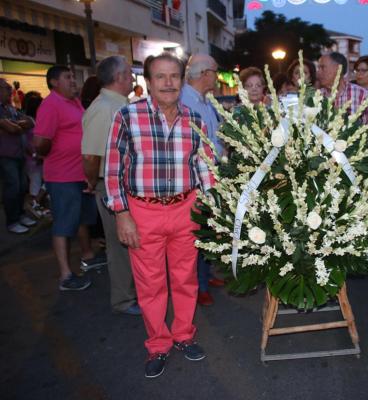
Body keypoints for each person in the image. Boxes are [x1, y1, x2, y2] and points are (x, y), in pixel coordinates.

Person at [105, 52, 215, 378]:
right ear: (149, 82)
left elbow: (204, 168)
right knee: (150, 285)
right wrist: (122, 213)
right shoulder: (127, 116)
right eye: (161, 77)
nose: (168, 83)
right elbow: (113, 169)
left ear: (182, 80)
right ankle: (158, 344)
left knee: (185, 279)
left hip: (186, 208)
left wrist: (212, 208)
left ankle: (183, 335)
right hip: (143, 212)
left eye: (174, 76)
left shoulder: (196, 119)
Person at [33, 65, 106, 291]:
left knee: (82, 219)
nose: (73, 80)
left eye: (74, 76)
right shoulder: (50, 105)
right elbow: (40, 143)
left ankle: (87, 256)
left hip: (81, 173)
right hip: (62, 176)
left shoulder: (73, 101)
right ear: (54, 82)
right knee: (64, 224)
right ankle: (65, 276)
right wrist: (59, 151)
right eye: (68, 77)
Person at [82, 56, 140, 315]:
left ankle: (133, 292)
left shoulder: (117, 105)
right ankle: (124, 299)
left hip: (122, 184)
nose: (132, 78)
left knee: (128, 242)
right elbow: (90, 156)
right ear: (118, 77)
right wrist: (94, 183)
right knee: (118, 245)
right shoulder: (104, 107)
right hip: (110, 186)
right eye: (129, 73)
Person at [180, 53, 226, 306]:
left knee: (208, 229)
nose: (218, 77)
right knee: (196, 232)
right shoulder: (185, 100)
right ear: (205, 74)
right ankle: (198, 285)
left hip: (212, 170)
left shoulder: (205, 101)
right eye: (215, 72)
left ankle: (206, 276)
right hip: (196, 174)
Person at [0, 78, 37, 234]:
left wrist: (16, 124)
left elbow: (30, 122)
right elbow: (12, 128)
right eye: (7, 88)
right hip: (6, 155)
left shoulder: (10, 108)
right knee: (12, 187)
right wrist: (15, 125)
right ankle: (12, 221)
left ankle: (20, 215)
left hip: (19, 154)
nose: (10, 90)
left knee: (22, 186)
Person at [317, 52, 368, 124]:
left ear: (338, 68)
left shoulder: (361, 95)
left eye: (323, 67)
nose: (318, 72)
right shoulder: (317, 96)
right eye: (318, 68)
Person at [22, 91, 49, 219]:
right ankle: (33, 206)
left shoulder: (35, 120)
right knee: (36, 184)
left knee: (43, 182)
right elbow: (24, 143)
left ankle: (36, 205)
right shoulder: (28, 122)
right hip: (33, 160)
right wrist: (34, 155)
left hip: (38, 159)